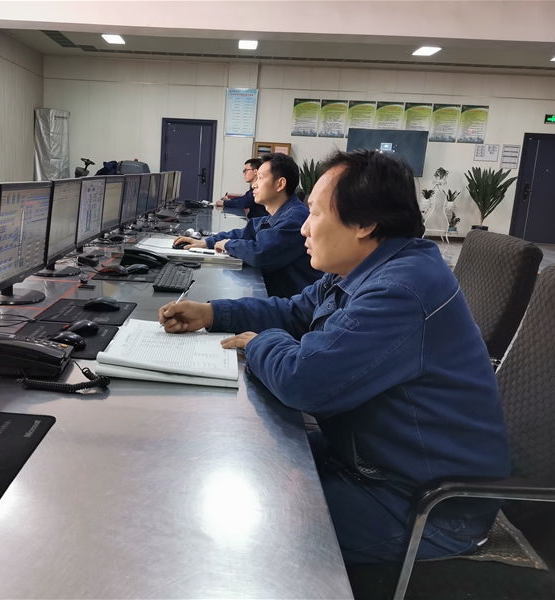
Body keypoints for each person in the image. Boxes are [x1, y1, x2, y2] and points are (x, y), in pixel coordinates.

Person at [159, 149, 510, 565]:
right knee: (229, 458)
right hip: (367, 461)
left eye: (314, 213)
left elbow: (303, 381)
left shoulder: (400, 290)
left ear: (364, 224)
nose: (303, 227)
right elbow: (294, 311)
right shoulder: (365, 267)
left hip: (423, 506)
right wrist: (213, 313)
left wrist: (258, 343)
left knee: (232, 525)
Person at [174, 153, 322, 298]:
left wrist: (228, 244)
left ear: (280, 184)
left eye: (261, 178)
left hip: (291, 303)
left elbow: (260, 253)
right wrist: (207, 242)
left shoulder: (294, 218)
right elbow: (247, 232)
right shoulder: (281, 213)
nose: (254, 185)